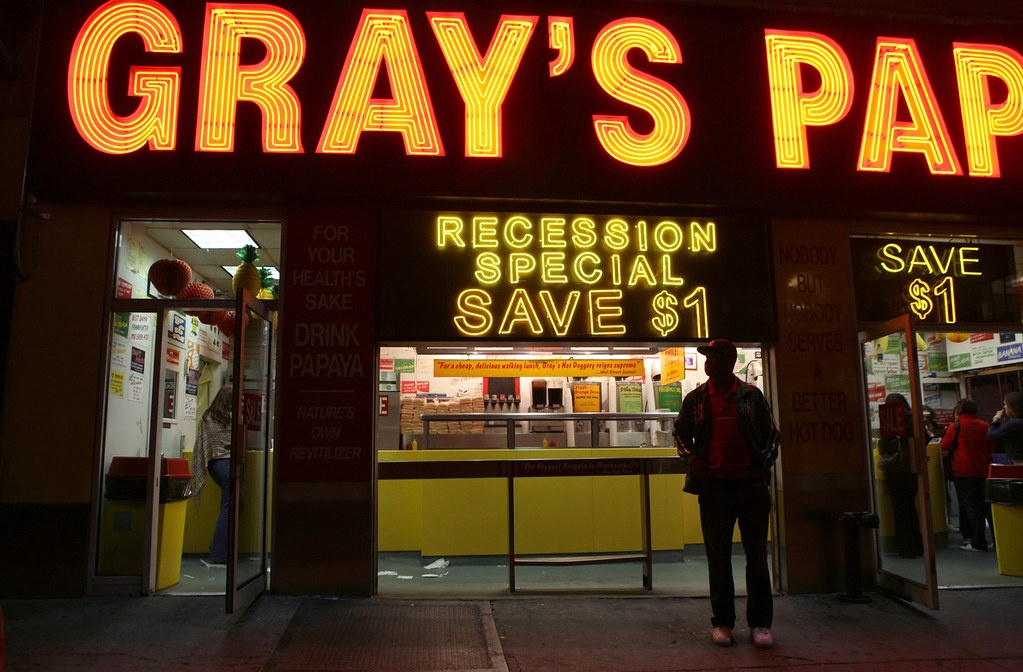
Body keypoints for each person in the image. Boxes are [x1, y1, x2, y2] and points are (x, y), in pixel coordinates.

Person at [673, 339, 780, 649]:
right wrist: (694, 461)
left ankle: (760, 624)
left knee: (756, 557)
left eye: (714, 358)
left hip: (751, 488)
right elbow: (679, 434)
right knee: (718, 558)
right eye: (707, 358)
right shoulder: (695, 399)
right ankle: (722, 622)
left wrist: (762, 465)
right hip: (715, 489)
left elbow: (773, 436)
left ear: (730, 362)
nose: (708, 363)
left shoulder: (752, 396)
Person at [941, 399, 995, 552]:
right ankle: (997, 541)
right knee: (986, 507)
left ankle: (978, 543)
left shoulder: (956, 426)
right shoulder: (985, 425)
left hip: (964, 471)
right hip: (984, 471)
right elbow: (992, 446)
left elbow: (945, 445)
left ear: (958, 410)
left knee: (971, 507)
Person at [191, 384, 234, 568]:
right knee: (229, 507)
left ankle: (219, 544)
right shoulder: (232, 418)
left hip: (215, 466)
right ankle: (218, 553)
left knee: (237, 503)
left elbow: (203, 443)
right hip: (229, 465)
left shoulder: (207, 416)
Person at [876, 393, 923, 559]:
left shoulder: (891, 418)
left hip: (896, 470)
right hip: (913, 468)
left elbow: (884, 444)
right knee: (911, 507)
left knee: (900, 509)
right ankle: (918, 545)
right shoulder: (914, 417)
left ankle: (905, 547)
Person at [988, 391, 1023, 464]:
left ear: (1012, 408)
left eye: (1005, 404)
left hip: (1019, 460)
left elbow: (991, 435)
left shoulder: (1014, 423)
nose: (1004, 407)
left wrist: (996, 419)